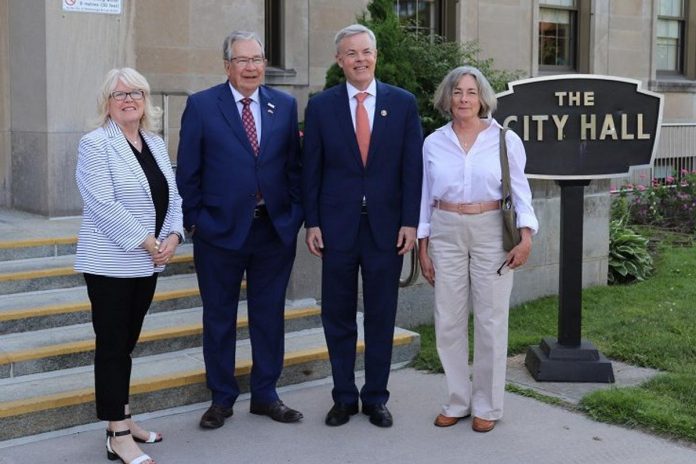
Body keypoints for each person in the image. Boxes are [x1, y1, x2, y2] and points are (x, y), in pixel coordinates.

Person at [176, 31, 303, 429]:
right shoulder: (201, 106)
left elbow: (294, 168)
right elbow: (188, 172)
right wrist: (196, 221)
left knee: (269, 316)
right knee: (219, 318)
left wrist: (293, 215)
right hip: (219, 233)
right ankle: (222, 398)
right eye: (243, 60)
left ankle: (266, 394)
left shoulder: (283, 105)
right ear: (227, 65)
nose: (251, 67)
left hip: (272, 231)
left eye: (258, 59)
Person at [302, 24, 423, 428]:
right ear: (339, 60)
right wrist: (312, 222)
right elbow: (311, 169)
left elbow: (412, 169)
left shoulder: (403, 104)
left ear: (376, 55)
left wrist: (410, 222)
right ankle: (342, 397)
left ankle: (375, 398)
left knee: (381, 315)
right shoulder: (321, 106)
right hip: (336, 229)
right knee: (337, 315)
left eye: (366, 51)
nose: (360, 59)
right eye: (351, 53)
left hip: (387, 230)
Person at [417, 66, 538, 433]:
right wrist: (423, 247)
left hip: (491, 232)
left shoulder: (504, 140)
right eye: (457, 92)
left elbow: (521, 192)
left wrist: (526, 236)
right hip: (445, 231)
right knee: (448, 320)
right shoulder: (433, 142)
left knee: (490, 320)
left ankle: (487, 405)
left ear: (482, 98)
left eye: (471, 92)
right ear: (447, 98)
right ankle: (457, 400)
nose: (464, 99)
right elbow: (424, 197)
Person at [75, 67, 184, 464]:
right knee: (112, 348)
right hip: (110, 264)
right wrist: (149, 241)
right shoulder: (95, 144)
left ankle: (122, 417)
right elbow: (102, 204)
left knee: (126, 345)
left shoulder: (154, 142)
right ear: (107, 102)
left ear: (145, 100)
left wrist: (173, 237)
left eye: (135, 93)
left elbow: (173, 196)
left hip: (147, 264)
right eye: (119, 94)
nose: (128, 99)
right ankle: (118, 436)